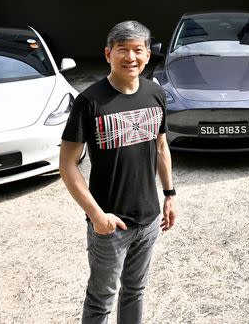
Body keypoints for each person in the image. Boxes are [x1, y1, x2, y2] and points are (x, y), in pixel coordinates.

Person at [59, 20, 176, 324]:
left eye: (138, 50)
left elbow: (162, 147)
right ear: (108, 53)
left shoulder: (155, 94)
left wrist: (169, 195)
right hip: (109, 225)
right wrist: (97, 216)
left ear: (148, 55)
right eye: (122, 50)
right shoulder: (90, 101)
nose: (131, 57)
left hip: (149, 219)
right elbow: (67, 164)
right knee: (101, 299)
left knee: (135, 290)